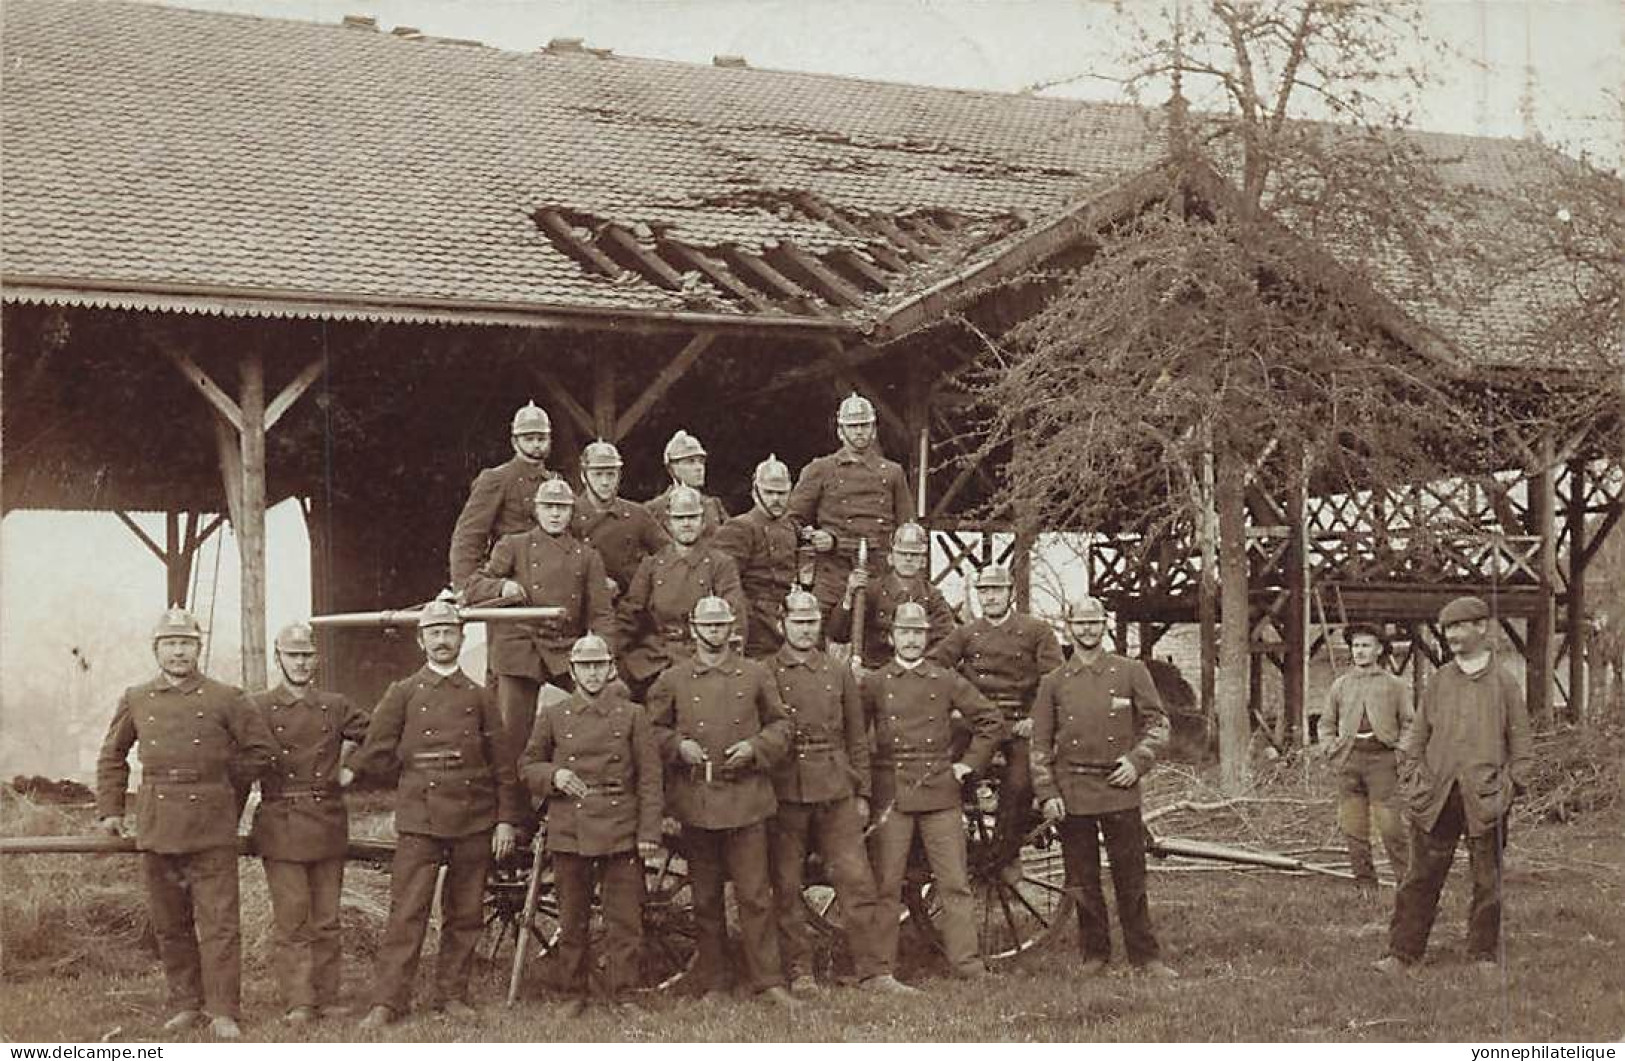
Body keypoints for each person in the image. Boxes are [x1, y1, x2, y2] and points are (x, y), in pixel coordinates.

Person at [95, 608, 276, 1039]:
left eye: (187, 643)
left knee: (219, 921)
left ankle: (222, 1010)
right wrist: (110, 811)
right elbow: (112, 755)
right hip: (158, 823)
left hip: (211, 825)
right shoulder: (137, 697)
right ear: (157, 649)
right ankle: (185, 1005)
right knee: (170, 921)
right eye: (170, 644)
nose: (179, 651)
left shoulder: (226, 697)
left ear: (199, 648)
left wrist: (225, 790)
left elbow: (261, 751)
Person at [352, 602, 522, 1028]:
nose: (443, 640)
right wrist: (412, 775)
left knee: (465, 913)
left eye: (450, 632)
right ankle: (389, 1001)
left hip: (474, 816)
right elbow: (377, 752)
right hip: (420, 817)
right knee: (407, 910)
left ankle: (452, 995)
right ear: (421, 640)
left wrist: (504, 820)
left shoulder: (479, 696)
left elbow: (503, 764)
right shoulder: (403, 692)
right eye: (435, 633)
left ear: (462, 639)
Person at [646, 596, 799, 1006]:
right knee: (705, 898)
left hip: (746, 801)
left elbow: (783, 725)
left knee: (754, 895)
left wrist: (756, 746)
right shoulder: (673, 679)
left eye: (721, 625)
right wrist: (678, 747)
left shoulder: (755, 674)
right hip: (697, 802)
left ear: (732, 629)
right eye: (707, 625)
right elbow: (651, 731)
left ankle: (768, 981)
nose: (714, 632)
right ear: (693, 628)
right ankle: (715, 982)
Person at [1376, 595, 1533, 978]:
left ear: (1482, 627)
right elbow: (1417, 735)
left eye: (1461, 627)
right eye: (1448, 629)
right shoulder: (1440, 680)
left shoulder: (1505, 683)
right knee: (1420, 876)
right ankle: (1403, 954)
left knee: (1488, 880)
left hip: (1485, 797)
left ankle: (1481, 955)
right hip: (1437, 795)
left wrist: (1511, 788)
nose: (1453, 636)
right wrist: (1413, 778)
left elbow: (1522, 745)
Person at [765, 590, 907, 996]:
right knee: (788, 887)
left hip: (835, 788)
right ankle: (800, 973)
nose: (806, 629)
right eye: (798, 622)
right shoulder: (767, 671)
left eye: (812, 622)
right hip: (786, 792)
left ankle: (875, 971)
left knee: (857, 881)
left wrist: (860, 792)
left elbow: (857, 736)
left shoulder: (837, 670)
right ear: (782, 624)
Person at [1031, 596, 1176, 979]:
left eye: (1094, 622)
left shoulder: (1130, 671)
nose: (1087, 629)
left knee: (1131, 876)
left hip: (1119, 786)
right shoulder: (1053, 683)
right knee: (1082, 880)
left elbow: (1158, 724)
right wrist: (1047, 793)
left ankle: (1145, 956)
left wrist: (1136, 761)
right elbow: (1040, 745)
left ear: (1104, 625)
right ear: (1069, 627)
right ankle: (1094, 954)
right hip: (1073, 791)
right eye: (1080, 623)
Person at [518, 634, 662, 1016]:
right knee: (572, 917)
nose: (594, 673)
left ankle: (625, 994)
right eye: (586, 666)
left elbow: (649, 778)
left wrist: (648, 833)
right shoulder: (554, 716)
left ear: (611, 667)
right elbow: (527, 766)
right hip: (571, 824)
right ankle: (572, 994)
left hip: (621, 825)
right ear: (573, 669)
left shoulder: (633, 715)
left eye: (600, 665)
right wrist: (555, 776)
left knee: (624, 919)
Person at [863, 601, 1004, 983]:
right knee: (887, 884)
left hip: (940, 790)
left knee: (954, 882)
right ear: (892, 638)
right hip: (892, 792)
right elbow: (855, 737)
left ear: (927, 638)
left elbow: (990, 720)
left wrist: (967, 765)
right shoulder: (874, 683)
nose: (910, 640)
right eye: (904, 633)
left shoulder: (944, 679)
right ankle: (880, 970)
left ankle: (968, 965)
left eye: (917, 633)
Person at [244, 622, 371, 1024]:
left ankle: (328, 997)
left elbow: (379, 735)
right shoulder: (258, 706)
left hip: (327, 820)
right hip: (280, 820)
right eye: (292, 655)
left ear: (317, 658)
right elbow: (239, 759)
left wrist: (353, 767)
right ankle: (299, 1000)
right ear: (278, 657)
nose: (300, 663)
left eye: (307, 655)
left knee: (327, 918)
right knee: (293, 917)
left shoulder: (335, 705)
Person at [463, 477, 613, 753]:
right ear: (537, 510)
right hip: (521, 648)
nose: (555, 514)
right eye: (548, 507)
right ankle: (511, 795)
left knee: (614, 703)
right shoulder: (513, 545)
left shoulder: (588, 556)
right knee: (511, 734)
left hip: (565, 646)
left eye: (562, 508)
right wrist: (501, 586)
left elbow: (601, 614)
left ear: (571, 512)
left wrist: (604, 654)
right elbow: (473, 587)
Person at [931, 565, 1064, 853]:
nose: (989, 597)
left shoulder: (1036, 630)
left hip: (1019, 723)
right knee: (940, 771)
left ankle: (1003, 851)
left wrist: (1035, 718)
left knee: (1019, 783)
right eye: (984, 591)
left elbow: (1054, 680)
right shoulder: (966, 634)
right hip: (977, 723)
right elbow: (934, 668)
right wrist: (953, 705)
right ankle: (946, 842)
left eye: (996, 590)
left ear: (1010, 593)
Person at [787, 393, 915, 627]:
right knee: (810, 628)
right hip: (833, 573)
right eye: (853, 426)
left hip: (879, 573)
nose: (859, 432)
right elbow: (791, 520)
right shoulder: (820, 470)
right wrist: (814, 536)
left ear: (874, 429)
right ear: (840, 431)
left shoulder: (893, 473)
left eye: (864, 426)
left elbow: (907, 527)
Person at [615, 485, 747, 701]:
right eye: (680, 518)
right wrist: (609, 651)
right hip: (657, 654)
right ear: (669, 523)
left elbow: (734, 615)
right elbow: (630, 613)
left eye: (692, 517)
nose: (686, 524)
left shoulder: (720, 564)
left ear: (703, 522)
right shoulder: (652, 564)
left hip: (701, 652)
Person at [1320, 623, 1413, 890]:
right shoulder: (1340, 685)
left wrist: (1400, 753)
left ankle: (1408, 888)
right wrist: (1329, 747)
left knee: (1391, 828)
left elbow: (1410, 723)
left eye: (1366, 646)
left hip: (1382, 762)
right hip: (1348, 761)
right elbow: (1326, 723)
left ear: (1379, 649)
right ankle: (1365, 888)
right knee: (1354, 828)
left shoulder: (1394, 685)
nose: (1359, 651)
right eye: (1356, 646)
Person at [447, 401, 557, 586]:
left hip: (551, 576)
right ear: (515, 442)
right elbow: (469, 536)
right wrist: (467, 587)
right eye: (529, 439)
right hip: (511, 578)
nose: (536, 445)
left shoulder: (554, 483)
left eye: (541, 439)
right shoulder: (496, 479)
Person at [827, 521, 955, 670]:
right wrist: (849, 596)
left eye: (914, 555)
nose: (908, 559)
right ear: (891, 558)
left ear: (923, 561)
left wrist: (922, 668)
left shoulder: (932, 596)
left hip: (917, 673)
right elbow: (838, 634)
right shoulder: (871, 591)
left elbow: (945, 641)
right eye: (902, 553)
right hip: (875, 672)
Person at [714, 454, 799, 658]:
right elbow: (727, 583)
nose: (776, 499)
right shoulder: (739, 527)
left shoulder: (792, 528)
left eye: (781, 493)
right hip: (754, 625)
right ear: (755, 493)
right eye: (769, 493)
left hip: (786, 618)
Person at [572, 439, 666, 600]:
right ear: (583, 476)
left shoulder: (637, 514)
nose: (605, 482)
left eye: (611, 474)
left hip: (629, 607)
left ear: (619, 476)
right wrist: (595, 582)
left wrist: (642, 583)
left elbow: (667, 554)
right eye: (598, 474)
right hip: (583, 604)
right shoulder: (569, 515)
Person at [644, 430, 728, 538]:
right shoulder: (654, 509)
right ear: (672, 468)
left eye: (701, 461)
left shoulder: (714, 505)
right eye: (690, 461)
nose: (699, 468)